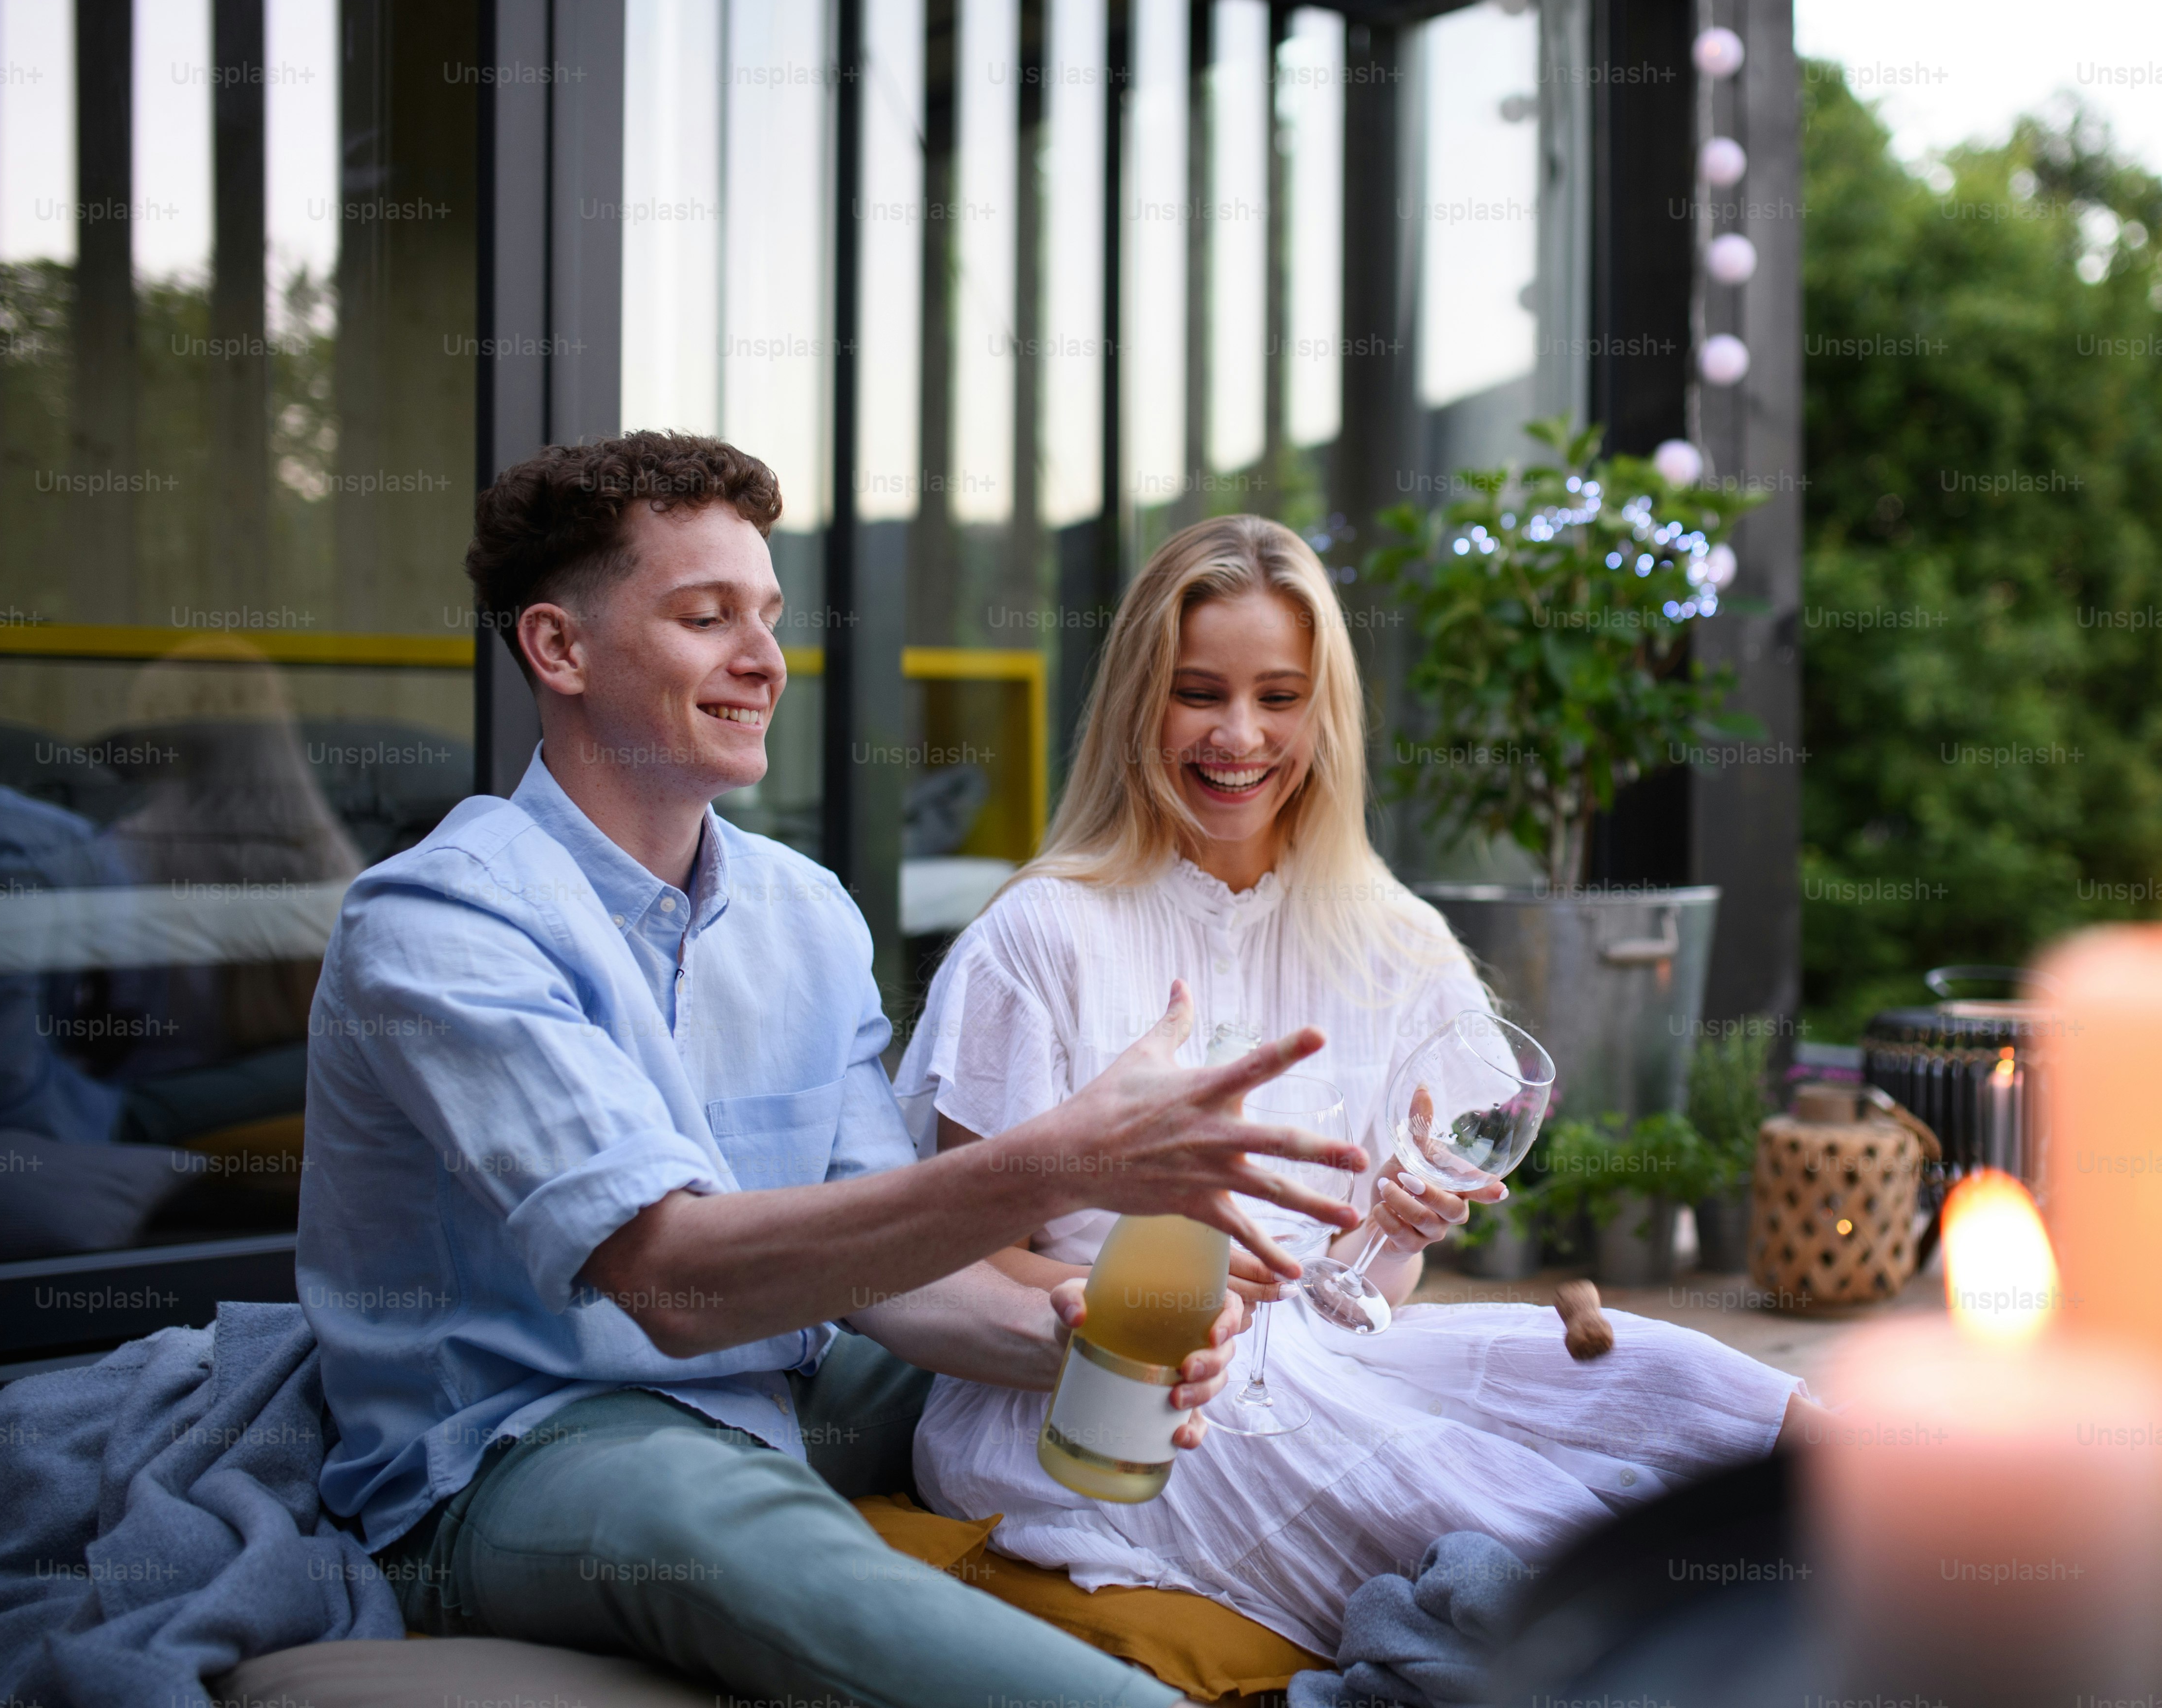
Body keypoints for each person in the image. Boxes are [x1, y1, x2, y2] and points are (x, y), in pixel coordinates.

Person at [297, 433, 1367, 1708]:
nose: (765, 661)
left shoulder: (804, 913)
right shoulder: (439, 926)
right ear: (558, 649)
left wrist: (1076, 1343)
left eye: (770, 616)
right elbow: (670, 1286)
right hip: (521, 1446)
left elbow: (896, 1284)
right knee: (720, 1516)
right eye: (707, 618)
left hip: (788, 1390)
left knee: (1147, 1315)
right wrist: (1061, 1161)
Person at [900, 514, 1815, 1656]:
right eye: (1199, 691)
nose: (1240, 735)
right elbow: (940, 1249)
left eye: (1280, 696)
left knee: (1685, 1384)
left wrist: (1398, 1222)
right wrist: (1115, 1308)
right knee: (1499, 1507)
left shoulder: (1396, 940)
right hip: (1103, 1394)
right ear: (1139, 702)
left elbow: (1371, 1283)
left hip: (1328, 1350)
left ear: (1323, 711)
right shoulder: (1040, 936)